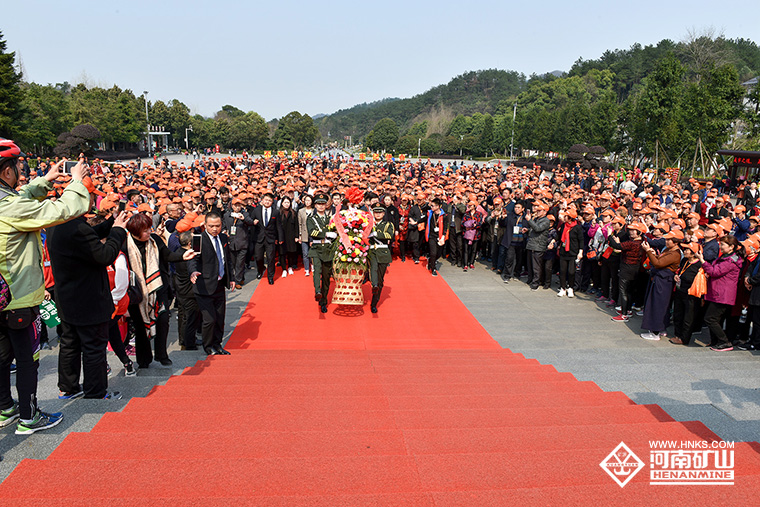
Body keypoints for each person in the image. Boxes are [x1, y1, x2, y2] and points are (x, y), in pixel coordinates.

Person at [0, 145, 89, 435]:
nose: (21, 171)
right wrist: (77, 181)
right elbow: (62, 209)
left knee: (2, 357)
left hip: (2, 298)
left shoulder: (7, 202)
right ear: (7, 171)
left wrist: (45, 180)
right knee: (28, 360)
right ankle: (29, 417)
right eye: (18, 167)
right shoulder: (10, 208)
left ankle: (5, 408)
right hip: (19, 297)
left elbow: (17, 199)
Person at [47, 175, 130, 400]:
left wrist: (111, 223)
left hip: (67, 298)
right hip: (89, 300)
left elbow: (88, 237)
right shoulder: (77, 227)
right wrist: (118, 232)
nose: (93, 202)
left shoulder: (59, 223)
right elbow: (104, 255)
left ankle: (68, 387)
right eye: (92, 197)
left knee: (70, 343)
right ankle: (96, 392)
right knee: (93, 347)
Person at [123, 212, 196, 368]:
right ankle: (144, 359)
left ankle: (162, 354)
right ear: (135, 232)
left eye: (150, 228)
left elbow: (167, 255)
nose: (149, 232)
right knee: (140, 325)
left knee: (163, 320)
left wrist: (183, 256)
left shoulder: (155, 240)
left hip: (158, 287)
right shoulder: (125, 245)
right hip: (137, 292)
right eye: (145, 230)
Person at [189, 211, 234, 355]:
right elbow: (193, 259)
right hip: (204, 285)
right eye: (211, 226)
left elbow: (227, 259)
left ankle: (217, 344)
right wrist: (193, 272)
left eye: (217, 226)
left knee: (220, 318)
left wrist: (232, 278)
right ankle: (208, 346)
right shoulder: (199, 239)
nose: (215, 229)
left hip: (220, 284)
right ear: (205, 225)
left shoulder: (223, 237)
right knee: (209, 320)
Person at [698, 235, 743, 351]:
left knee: (710, 318)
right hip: (716, 292)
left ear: (731, 247)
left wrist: (703, 261)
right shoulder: (725, 257)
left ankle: (725, 342)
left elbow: (715, 271)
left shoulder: (731, 261)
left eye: (723, 244)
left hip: (722, 294)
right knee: (715, 318)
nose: (720, 246)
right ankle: (716, 341)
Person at [640, 230, 683, 341]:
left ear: (676, 242)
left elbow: (658, 263)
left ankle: (655, 332)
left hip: (664, 281)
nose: (666, 241)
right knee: (660, 304)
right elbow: (660, 260)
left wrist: (648, 251)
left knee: (658, 305)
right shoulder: (669, 250)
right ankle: (661, 328)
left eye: (669, 240)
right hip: (661, 279)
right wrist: (653, 254)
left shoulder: (675, 253)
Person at [669, 242, 703, 345]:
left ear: (694, 253)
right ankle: (677, 335)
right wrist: (676, 275)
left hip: (691, 295)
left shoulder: (699, 265)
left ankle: (684, 338)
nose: (685, 251)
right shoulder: (685, 261)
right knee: (678, 314)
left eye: (687, 250)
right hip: (680, 291)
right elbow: (680, 271)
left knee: (688, 317)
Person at [307, 193, 335, 313]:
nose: (321, 206)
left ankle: (323, 300)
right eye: (319, 204)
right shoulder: (311, 219)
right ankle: (317, 291)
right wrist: (326, 234)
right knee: (317, 271)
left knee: (326, 277)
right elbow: (312, 232)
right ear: (315, 205)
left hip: (328, 249)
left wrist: (334, 234)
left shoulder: (330, 219)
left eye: (323, 204)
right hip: (316, 248)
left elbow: (335, 231)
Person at [368, 204, 395, 313]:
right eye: (376, 212)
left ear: (383, 214)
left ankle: (374, 301)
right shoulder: (369, 224)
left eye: (380, 212)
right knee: (373, 268)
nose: (378, 214)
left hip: (383, 252)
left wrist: (376, 234)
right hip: (372, 252)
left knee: (380, 280)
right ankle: (373, 284)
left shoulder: (388, 224)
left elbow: (389, 235)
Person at [222, 197, 253, 288]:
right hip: (231, 242)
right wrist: (224, 231)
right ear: (232, 206)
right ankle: (241, 277)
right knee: (234, 263)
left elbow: (250, 222)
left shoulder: (245, 214)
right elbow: (223, 226)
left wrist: (243, 219)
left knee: (240, 263)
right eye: (235, 205)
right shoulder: (227, 215)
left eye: (239, 205)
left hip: (242, 242)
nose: (237, 207)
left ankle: (237, 281)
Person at [252, 192, 280, 284]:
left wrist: (280, 238)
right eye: (266, 200)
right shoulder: (256, 210)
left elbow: (278, 226)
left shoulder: (275, 212)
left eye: (269, 200)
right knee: (258, 257)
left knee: (271, 258)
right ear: (262, 200)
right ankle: (260, 270)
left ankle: (270, 277)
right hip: (258, 238)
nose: (267, 202)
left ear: (272, 202)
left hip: (270, 238)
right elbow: (251, 223)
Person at [556, 208, 583, 298]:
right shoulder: (563, 226)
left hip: (573, 252)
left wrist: (580, 252)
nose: (564, 217)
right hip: (563, 252)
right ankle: (563, 288)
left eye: (566, 216)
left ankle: (570, 288)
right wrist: (554, 241)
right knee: (562, 271)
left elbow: (581, 240)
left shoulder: (577, 228)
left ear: (570, 217)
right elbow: (559, 236)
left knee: (571, 272)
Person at [277, 196, 300, 277]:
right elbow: (276, 226)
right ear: (282, 203)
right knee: (282, 253)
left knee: (291, 252)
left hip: (291, 236)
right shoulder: (278, 213)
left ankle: (290, 267)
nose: (286, 204)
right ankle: (284, 269)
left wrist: (297, 236)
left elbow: (296, 226)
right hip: (282, 236)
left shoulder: (293, 213)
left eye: (288, 202)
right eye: (285, 202)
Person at [425, 198, 447, 276]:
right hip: (432, 236)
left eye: (433, 206)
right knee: (433, 253)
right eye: (431, 205)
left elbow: (445, 227)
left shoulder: (444, 215)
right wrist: (416, 222)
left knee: (438, 253)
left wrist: (443, 236)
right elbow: (423, 216)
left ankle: (431, 260)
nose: (431, 207)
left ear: (438, 206)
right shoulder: (430, 213)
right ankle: (433, 268)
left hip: (439, 236)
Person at [297, 194, 314, 276]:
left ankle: (313, 265)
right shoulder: (301, 211)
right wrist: (300, 234)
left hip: (313, 234)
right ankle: (306, 268)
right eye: (306, 200)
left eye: (309, 200)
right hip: (304, 234)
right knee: (305, 253)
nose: (307, 202)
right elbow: (299, 223)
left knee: (313, 252)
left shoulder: (314, 210)